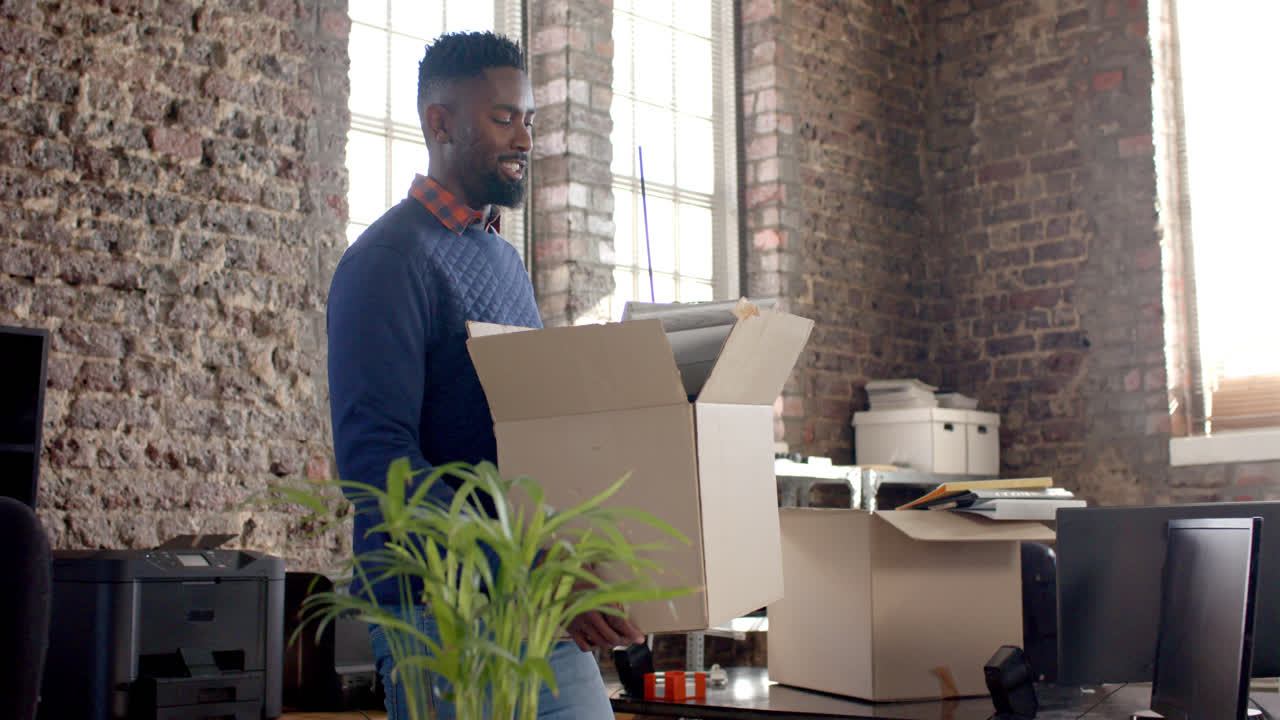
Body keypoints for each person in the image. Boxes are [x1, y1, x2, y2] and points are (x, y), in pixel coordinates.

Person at [326, 31, 641, 719]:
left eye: (528, 119)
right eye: (503, 118)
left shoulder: (503, 263)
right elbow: (377, 464)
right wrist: (522, 563)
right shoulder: (386, 262)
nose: (524, 138)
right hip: (440, 615)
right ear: (440, 122)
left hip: (542, 611)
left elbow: (529, 445)